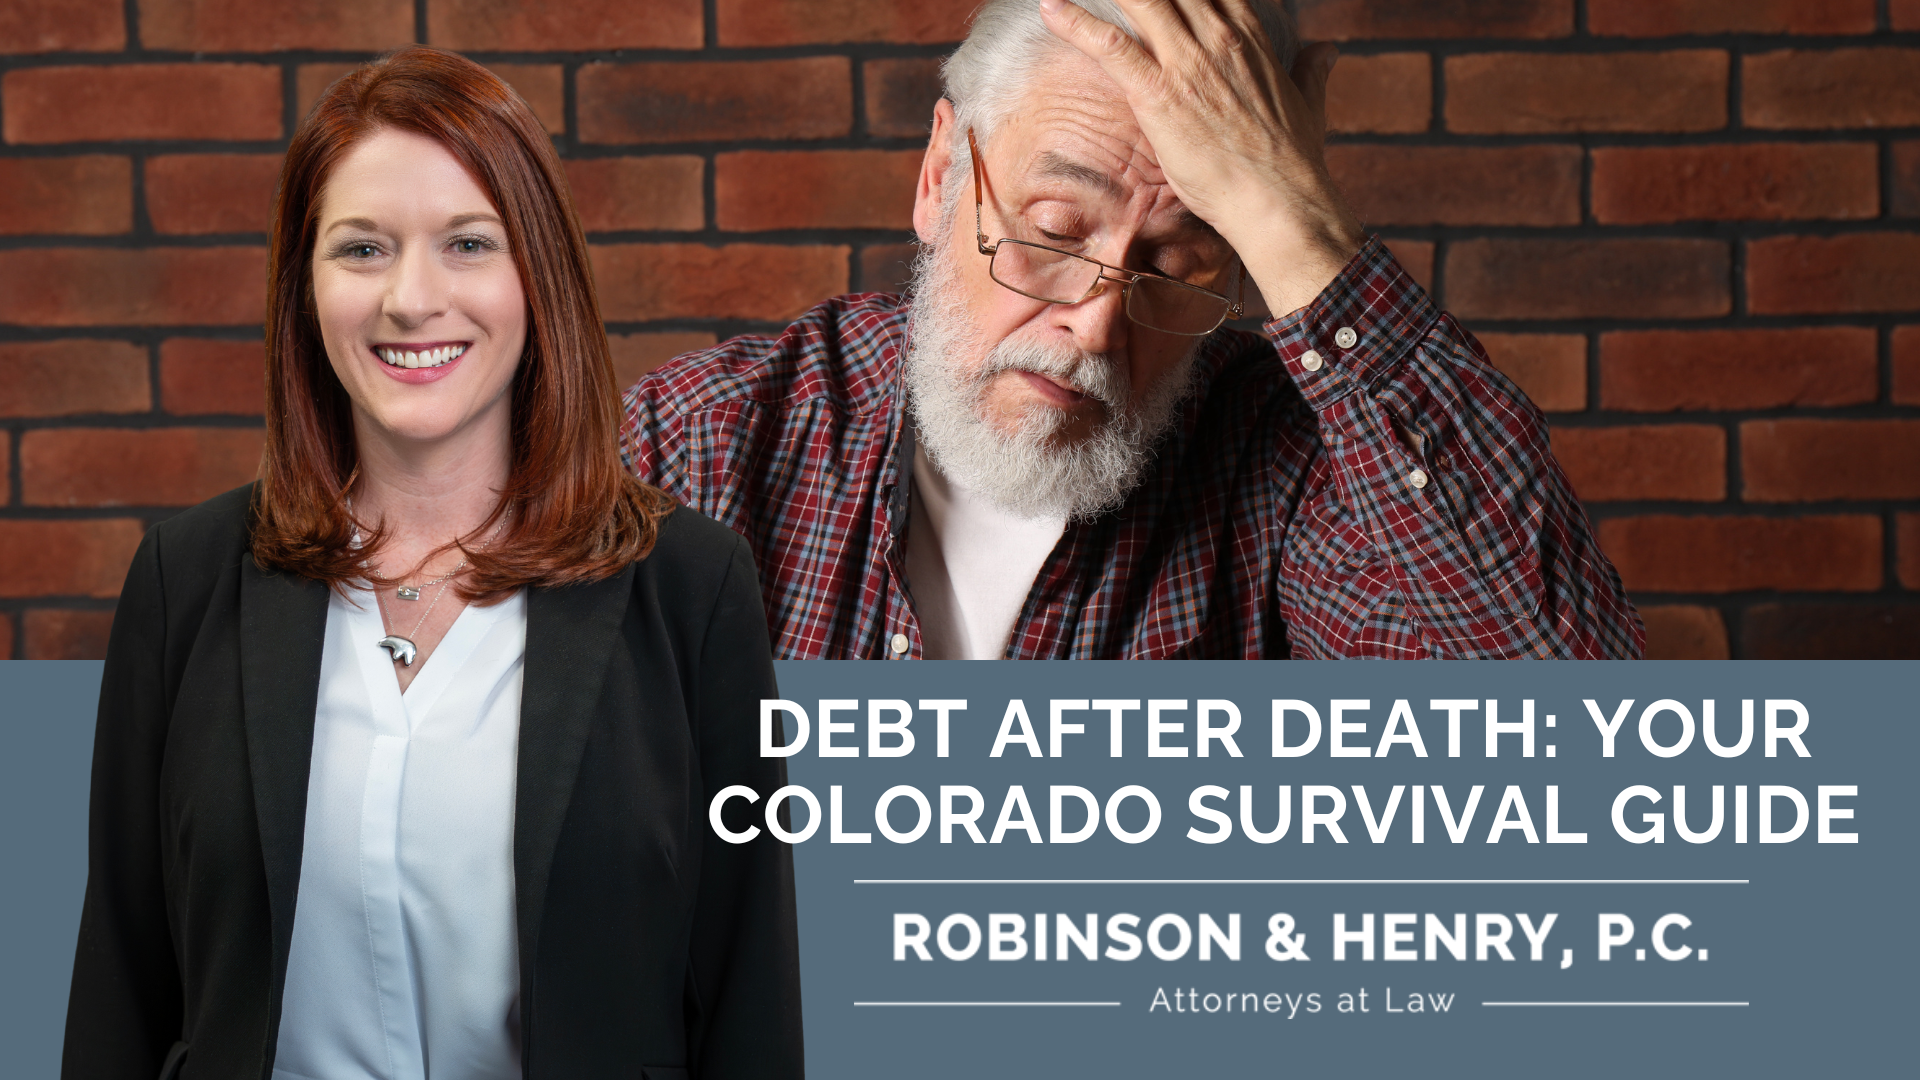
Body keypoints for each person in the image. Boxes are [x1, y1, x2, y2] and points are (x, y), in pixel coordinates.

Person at [62, 47, 802, 1080]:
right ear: (303, 287)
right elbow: (119, 993)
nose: (412, 299)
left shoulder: (692, 587)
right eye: (362, 249)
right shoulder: (184, 583)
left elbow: (750, 1002)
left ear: (535, 274)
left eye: (467, 243)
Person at [621, 0, 1643, 660]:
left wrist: (1298, 226)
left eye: (1178, 264)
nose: (1098, 322)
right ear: (940, 178)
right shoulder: (697, 449)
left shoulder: (1292, 479)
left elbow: (1569, 762)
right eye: (1054, 231)